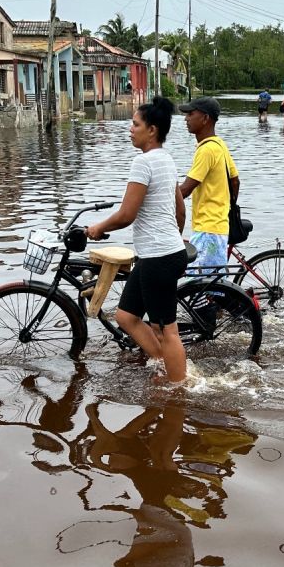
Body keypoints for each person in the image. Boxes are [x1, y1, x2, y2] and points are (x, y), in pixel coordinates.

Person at [86, 97, 190, 384]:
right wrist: (175, 238)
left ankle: (179, 389)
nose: (130, 129)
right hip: (160, 253)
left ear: (152, 130)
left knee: (166, 330)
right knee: (126, 316)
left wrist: (98, 228)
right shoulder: (166, 160)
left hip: (160, 256)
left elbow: (126, 214)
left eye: (135, 124)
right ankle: (163, 365)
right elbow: (180, 208)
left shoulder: (143, 163)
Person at [178, 96, 239, 277]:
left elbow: (186, 189)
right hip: (217, 224)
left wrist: (158, 200)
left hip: (208, 229)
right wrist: (226, 206)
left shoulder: (206, 150)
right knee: (210, 288)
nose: (186, 118)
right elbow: (235, 180)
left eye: (190, 114)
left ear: (205, 118)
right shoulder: (219, 144)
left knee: (198, 289)